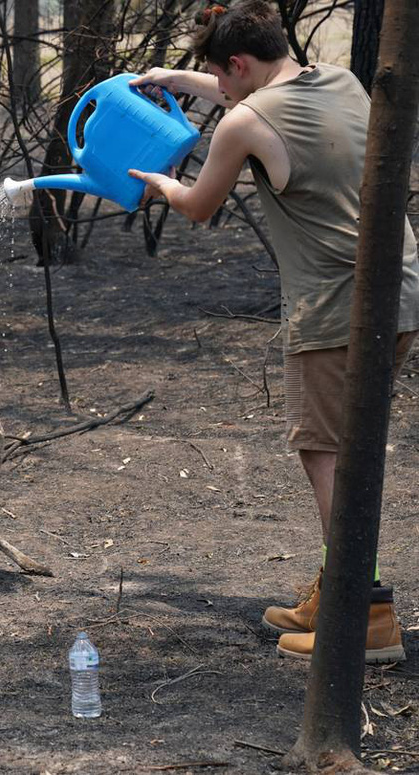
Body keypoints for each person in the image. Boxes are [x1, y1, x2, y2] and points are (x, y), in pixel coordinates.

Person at [129, 0, 419, 662]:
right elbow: (253, 91)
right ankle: (340, 584)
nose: (218, 94)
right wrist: (176, 78)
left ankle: (365, 614)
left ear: (237, 64)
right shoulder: (338, 79)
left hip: (334, 308)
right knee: (347, 443)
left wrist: (157, 187)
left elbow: (199, 205)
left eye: (218, 79)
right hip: (400, 288)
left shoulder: (242, 122)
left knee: (325, 450)